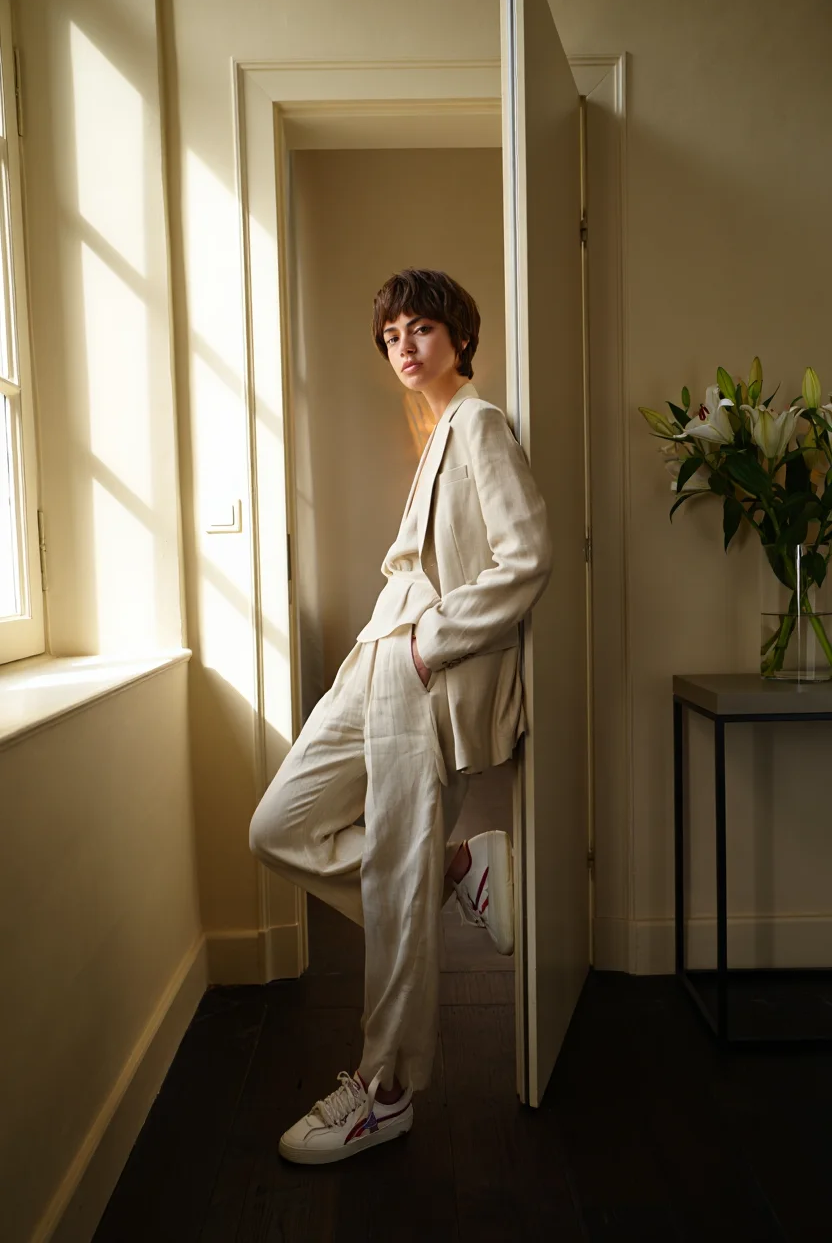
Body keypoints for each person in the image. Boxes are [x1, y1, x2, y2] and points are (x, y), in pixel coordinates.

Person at [249, 267, 553, 1165]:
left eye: (422, 328)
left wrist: (431, 643)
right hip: (371, 667)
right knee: (278, 825)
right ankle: (459, 865)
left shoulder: (481, 423)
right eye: (391, 336)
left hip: (417, 669)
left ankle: (383, 1089)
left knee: (392, 873)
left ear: (459, 336)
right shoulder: (437, 435)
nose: (405, 346)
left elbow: (527, 556)